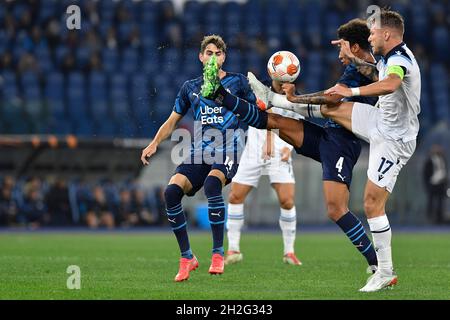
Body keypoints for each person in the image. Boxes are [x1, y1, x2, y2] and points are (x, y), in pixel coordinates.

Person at [212, 10, 419, 292]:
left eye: (373, 34)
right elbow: (351, 83)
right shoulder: (380, 59)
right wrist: (296, 97)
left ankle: (381, 268)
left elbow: (389, 82)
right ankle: (240, 98)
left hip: (379, 140)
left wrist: (350, 92)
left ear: (385, 34)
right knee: (278, 118)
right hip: (371, 124)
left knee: (357, 205)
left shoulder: (398, 60)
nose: (370, 38)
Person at [140, 35, 256, 282]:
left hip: (229, 149)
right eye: (209, 53)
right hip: (200, 151)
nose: (213, 57)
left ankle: (217, 254)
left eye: (218, 54)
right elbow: (172, 120)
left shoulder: (238, 82)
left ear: (224, 57)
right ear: (201, 57)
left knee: (213, 185)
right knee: (171, 193)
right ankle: (187, 257)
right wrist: (154, 143)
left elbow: (257, 110)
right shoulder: (190, 87)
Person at [226, 80, 302, 266]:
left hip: (280, 150)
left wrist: (289, 147)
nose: (284, 83)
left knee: (287, 200)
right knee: (235, 196)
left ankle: (289, 252)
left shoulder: (295, 99)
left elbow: (299, 127)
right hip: (254, 150)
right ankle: (233, 249)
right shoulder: (260, 94)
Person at [423, 144, 448, 224]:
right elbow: (425, 174)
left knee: (441, 202)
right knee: (431, 202)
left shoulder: (443, 159)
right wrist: (427, 184)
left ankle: (439, 219)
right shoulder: (429, 160)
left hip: (441, 183)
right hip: (432, 184)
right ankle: (429, 218)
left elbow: (444, 170)